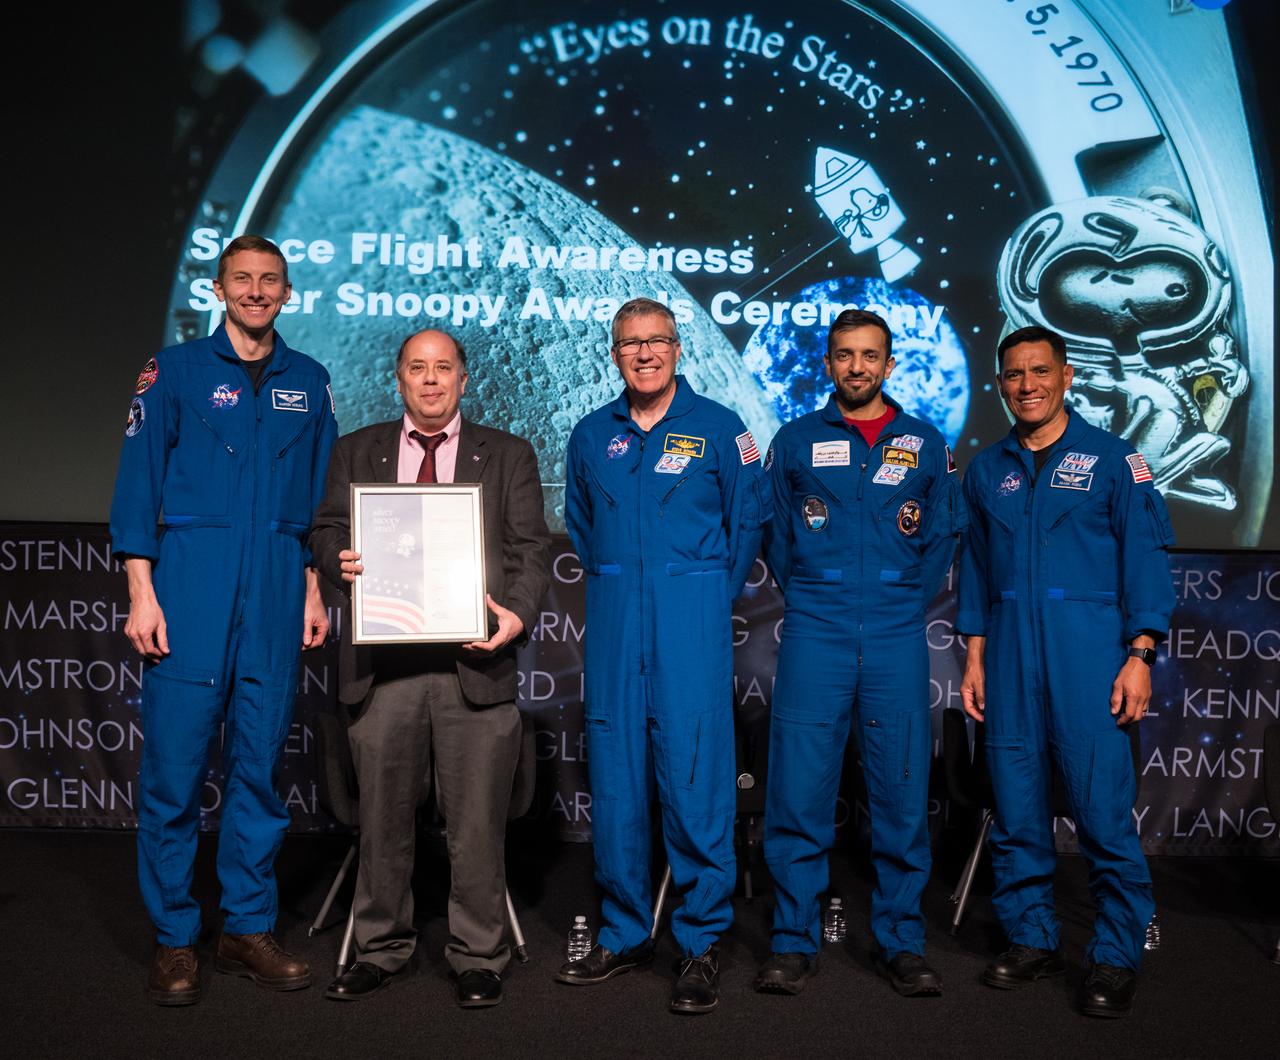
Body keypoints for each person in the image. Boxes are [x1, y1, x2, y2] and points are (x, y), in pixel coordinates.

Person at [110, 235, 338, 1005]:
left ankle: (246, 926)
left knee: (259, 774)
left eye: (269, 280)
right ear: (220, 287)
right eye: (242, 278)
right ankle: (176, 937)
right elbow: (138, 485)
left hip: (275, 587)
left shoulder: (309, 382)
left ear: (287, 292)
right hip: (191, 584)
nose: (255, 290)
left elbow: (317, 502)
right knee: (174, 777)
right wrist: (142, 589)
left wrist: (310, 586)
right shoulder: (172, 372)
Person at [309, 328, 550, 1009]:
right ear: (399, 381)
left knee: (475, 824)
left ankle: (478, 954)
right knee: (382, 819)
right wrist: (339, 560)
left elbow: (531, 551)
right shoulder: (357, 451)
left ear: (464, 379)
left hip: (474, 666)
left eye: (444, 368)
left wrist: (517, 617)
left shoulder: (507, 454)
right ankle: (380, 949)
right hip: (383, 670)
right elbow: (326, 529)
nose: (432, 380)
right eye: (418, 368)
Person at [558, 298, 770, 1014]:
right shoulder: (592, 435)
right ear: (613, 354)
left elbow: (748, 527)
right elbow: (584, 533)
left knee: (695, 779)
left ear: (678, 349)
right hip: (617, 620)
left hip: (691, 619)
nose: (643, 354)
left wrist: (701, 591)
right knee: (617, 780)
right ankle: (624, 931)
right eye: (628, 344)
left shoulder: (722, 431)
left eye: (655, 342)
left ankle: (702, 941)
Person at [957, 325, 1175, 1018]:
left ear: (1067, 375)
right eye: (1015, 374)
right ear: (1001, 384)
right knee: (1017, 813)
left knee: (1102, 820)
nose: (1028, 385)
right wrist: (974, 655)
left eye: (1040, 371)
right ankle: (1032, 939)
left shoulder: (1116, 461)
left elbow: (1145, 561)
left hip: (1090, 656)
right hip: (1011, 655)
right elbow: (977, 574)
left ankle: (1114, 955)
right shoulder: (988, 469)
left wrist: (1139, 656)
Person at [755, 309, 963, 998]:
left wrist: (898, 595)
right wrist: (818, 592)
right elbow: (778, 539)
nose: (856, 367)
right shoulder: (795, 440)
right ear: (828, 363)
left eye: (869, 355)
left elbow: (939, 542)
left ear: (889, 364)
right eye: (844, 355)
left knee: (902, 792)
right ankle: (792, 939)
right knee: (798, 790)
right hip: (816, 626)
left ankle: (900, 941)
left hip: (897, 629)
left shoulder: (923, 443)